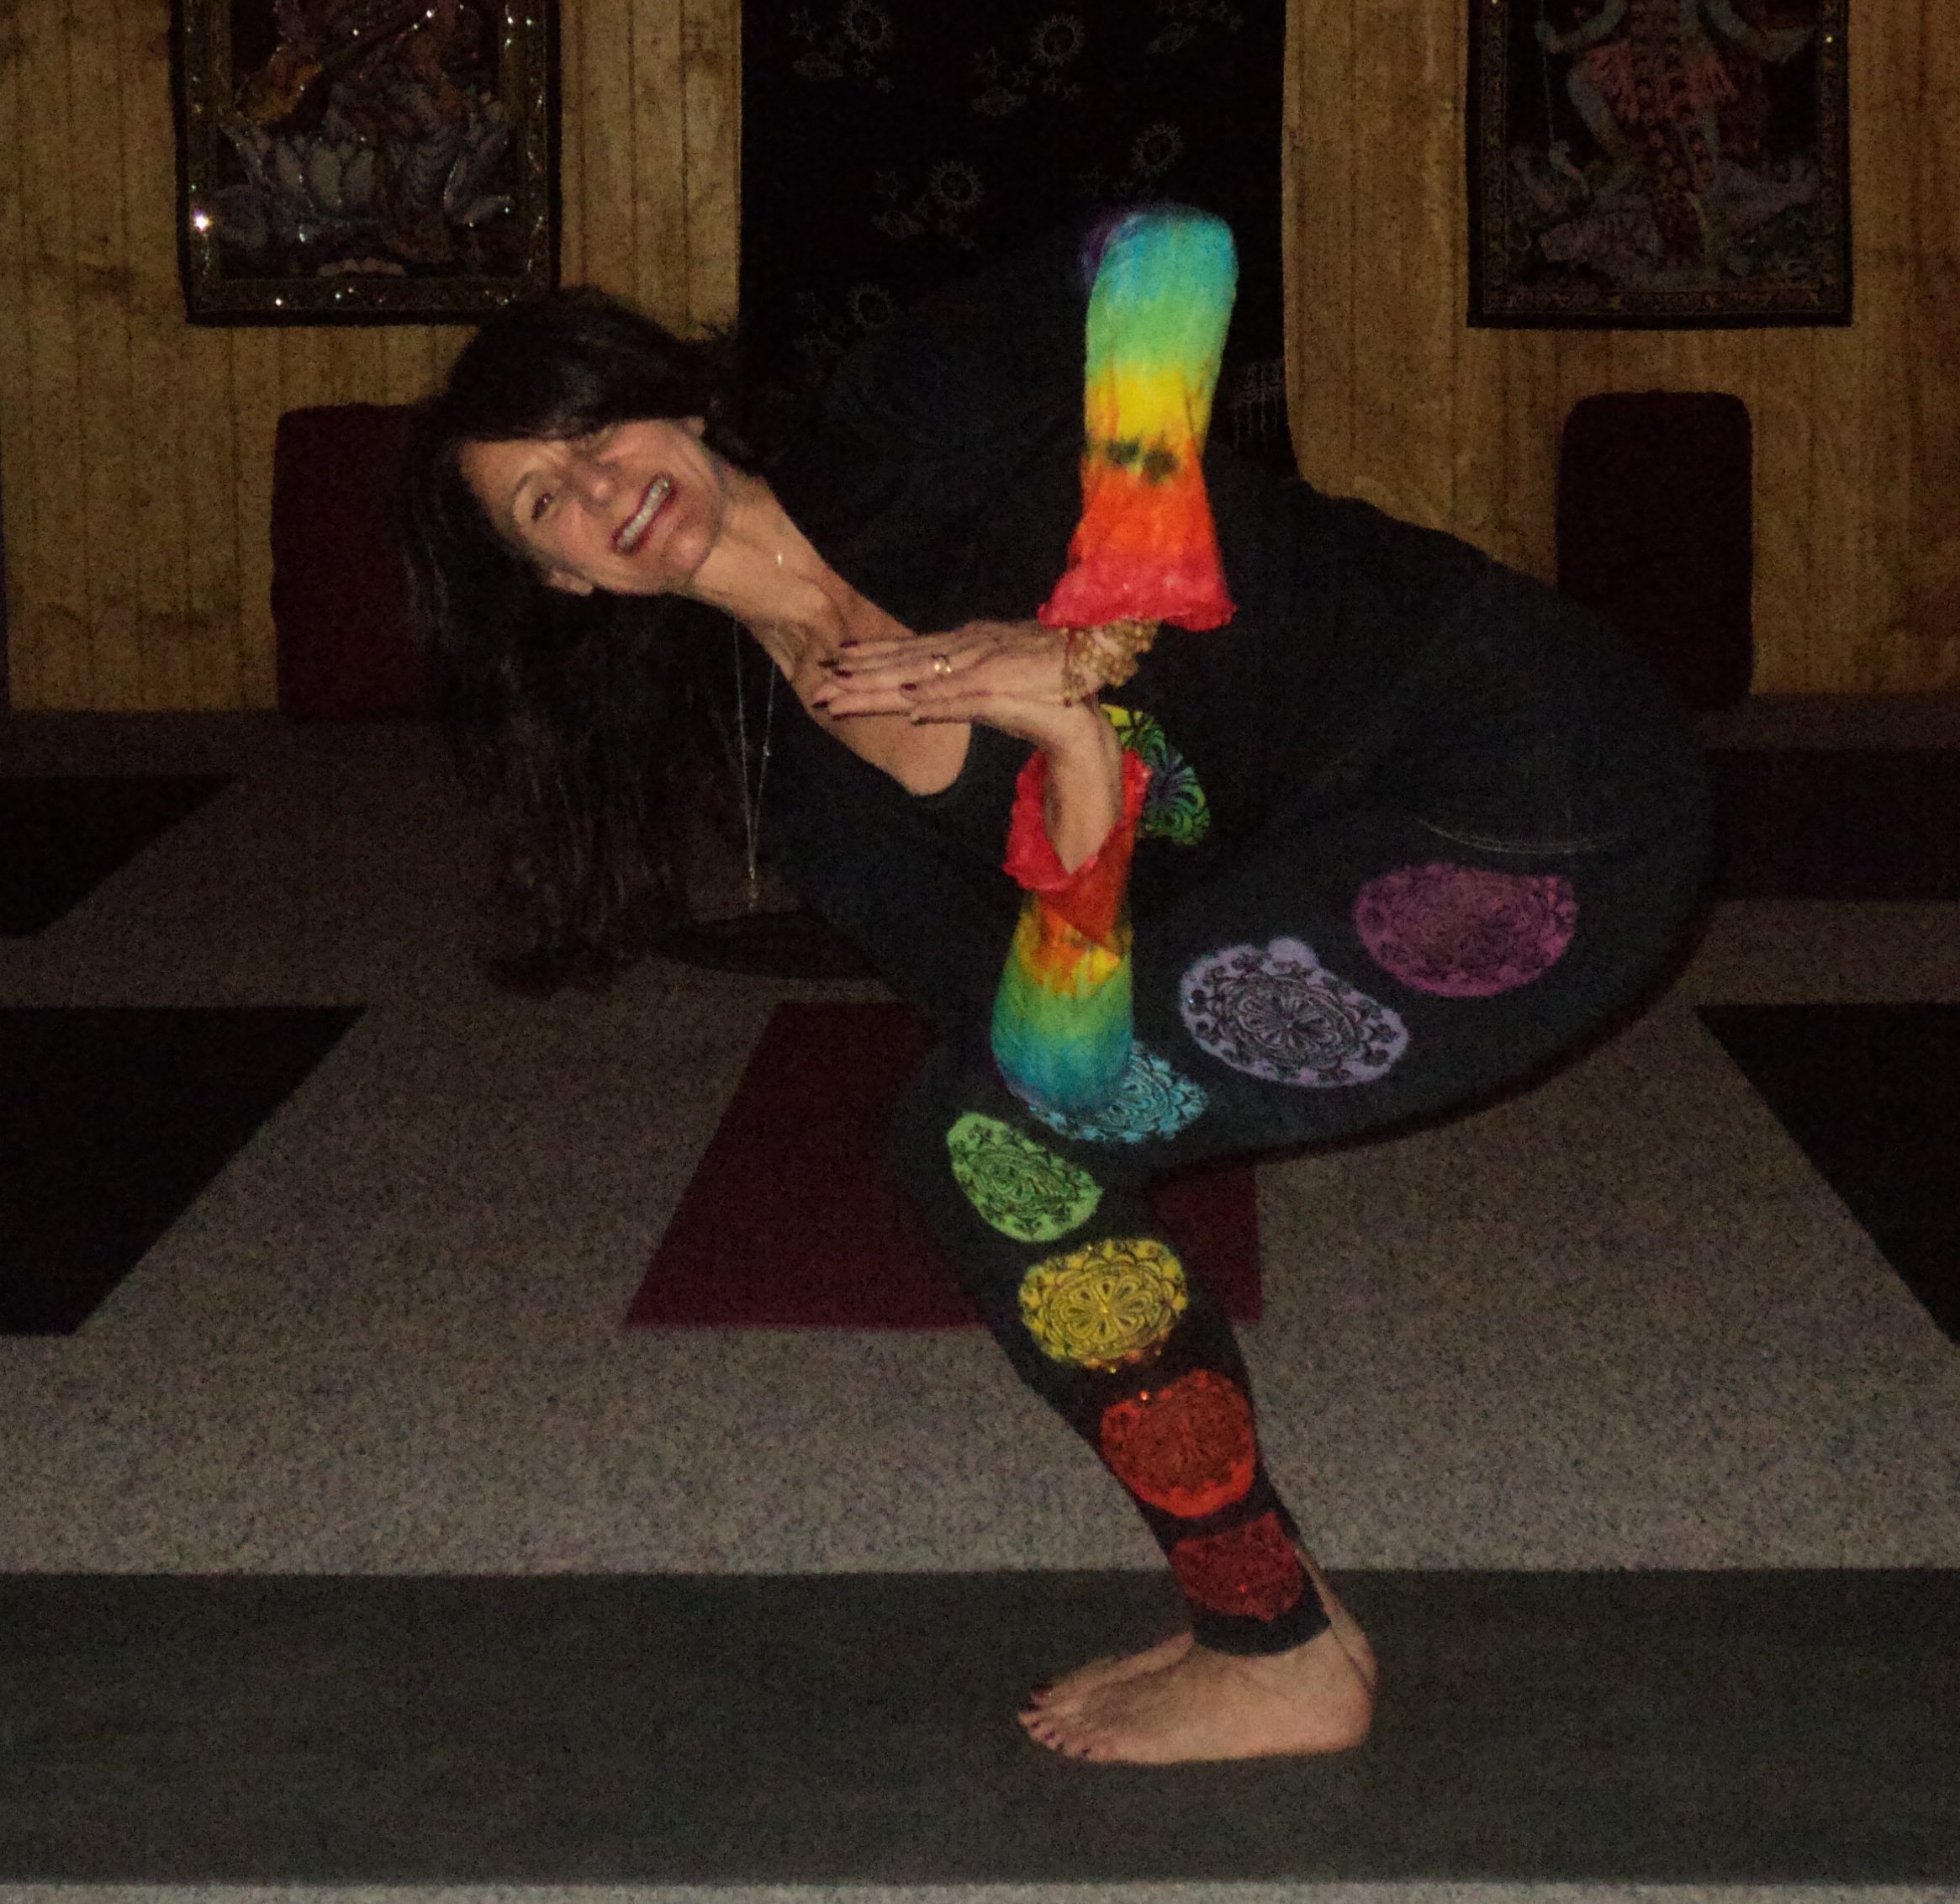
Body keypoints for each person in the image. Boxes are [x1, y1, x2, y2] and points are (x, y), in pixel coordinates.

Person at [405, 207, 1712, 1764]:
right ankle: (1263, 1612)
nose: (598, 489)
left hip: (1538, 783)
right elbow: (1064, 1065)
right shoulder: (811, 795)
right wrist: (1074, 757)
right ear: (560, 580)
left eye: (591, 432)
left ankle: (1273, 1653)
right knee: (990, 1134)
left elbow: (1165, 248)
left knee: (981, 1133)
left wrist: (1096, 625)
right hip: (1365, 872)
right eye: (543, 500)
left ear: (674, 398)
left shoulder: (900, 417)